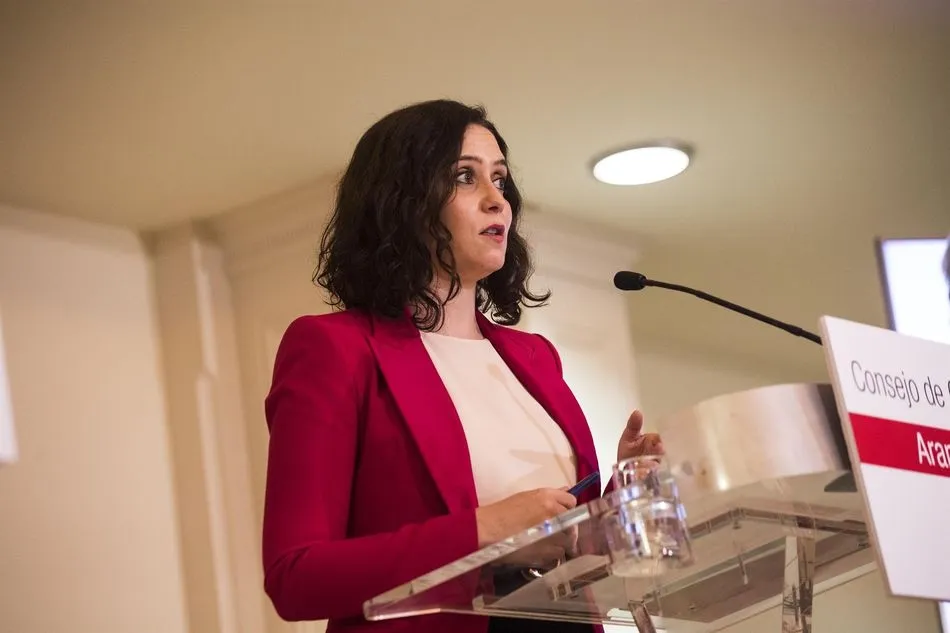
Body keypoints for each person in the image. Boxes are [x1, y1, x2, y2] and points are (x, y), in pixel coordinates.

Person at [260, 99, 662, 633]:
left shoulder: (534, 359)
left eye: (500, 179)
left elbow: (575, 552)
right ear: (403, 202)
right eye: (466, 178)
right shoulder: (335, 349)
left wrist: (621, 498)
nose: (498, 201)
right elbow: (296, 577)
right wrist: (484, 529)